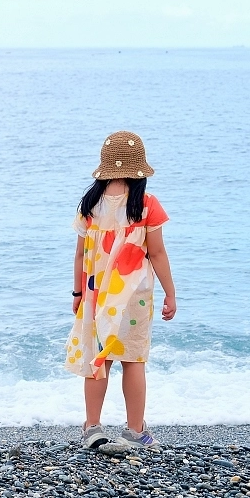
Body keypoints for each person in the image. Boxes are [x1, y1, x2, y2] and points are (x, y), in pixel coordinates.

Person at [66, 130, 176, 450]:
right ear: (139, 168)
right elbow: (156, 253)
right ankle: (134, 430)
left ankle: (92, 428)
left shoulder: (90, 205)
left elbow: (79, 254)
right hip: (134, 297)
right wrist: (171, 293)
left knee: (99, 361)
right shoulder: (146, 204)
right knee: (133, 360)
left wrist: (77, 294)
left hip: (96, 294)